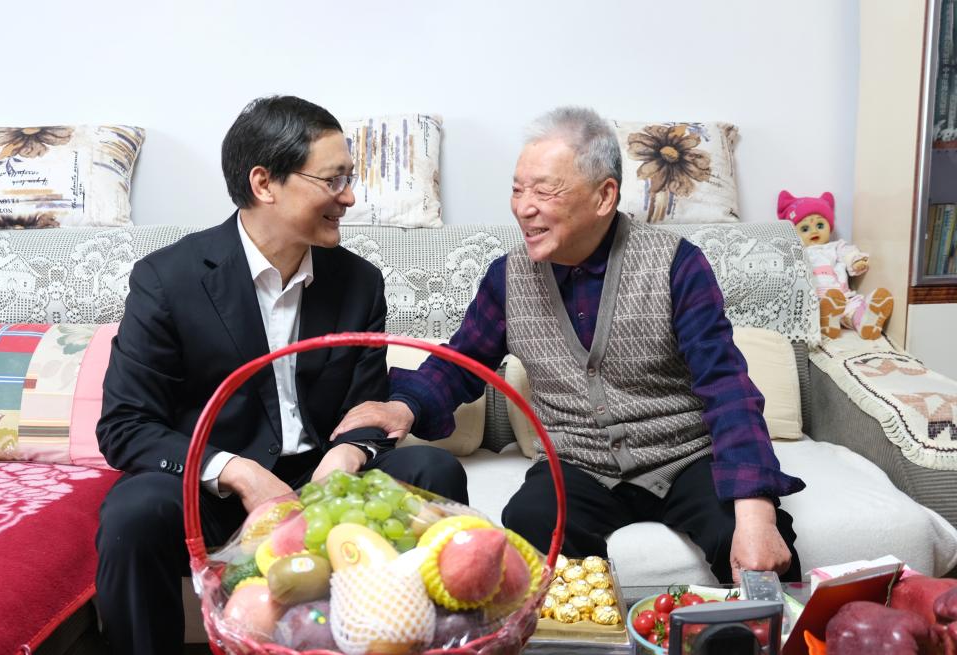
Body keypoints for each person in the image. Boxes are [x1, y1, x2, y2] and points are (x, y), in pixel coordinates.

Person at [333, 106, 805, 585]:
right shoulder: (507, 277)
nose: (524, 207)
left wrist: (754, 513)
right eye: (518, 189)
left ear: (604, 196)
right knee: (531, 522)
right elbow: (462, 363)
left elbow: (726, 384)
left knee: (750, 541)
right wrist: (404, 407)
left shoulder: (675, 264)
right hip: (576, 466)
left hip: (685, 459)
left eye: (544, 190)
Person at [94, 95, 467, 655]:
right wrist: (238, 472)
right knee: (133, 512)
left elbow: (367, 406)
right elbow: (125, 425)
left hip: (326, 479)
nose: (349, 196)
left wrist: (349, 456)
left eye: (349, 178)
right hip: (216, 488)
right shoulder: (167, 280)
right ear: (265, 183)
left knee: (432, 469)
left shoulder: (359, 281)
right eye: (333, 180)